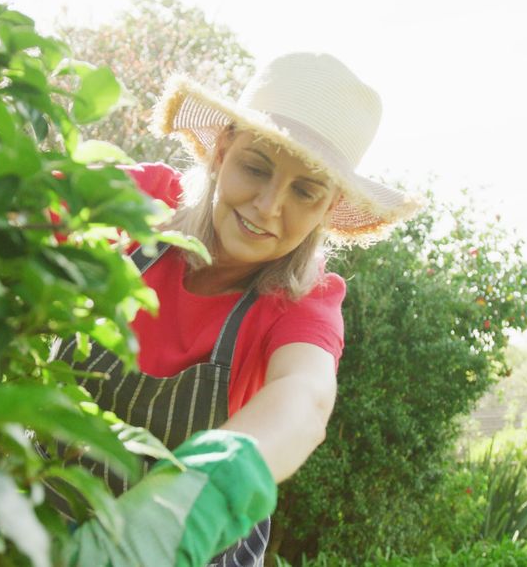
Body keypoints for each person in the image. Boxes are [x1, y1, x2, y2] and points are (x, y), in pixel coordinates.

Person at [59, 51, 423, 567]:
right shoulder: (134, 203)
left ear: (328, 207)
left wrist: (182, 505)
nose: (268, 206)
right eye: (256, 167)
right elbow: (4, 209)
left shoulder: (303, 302)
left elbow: (305, 398)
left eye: (305, 191)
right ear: (222, 149)